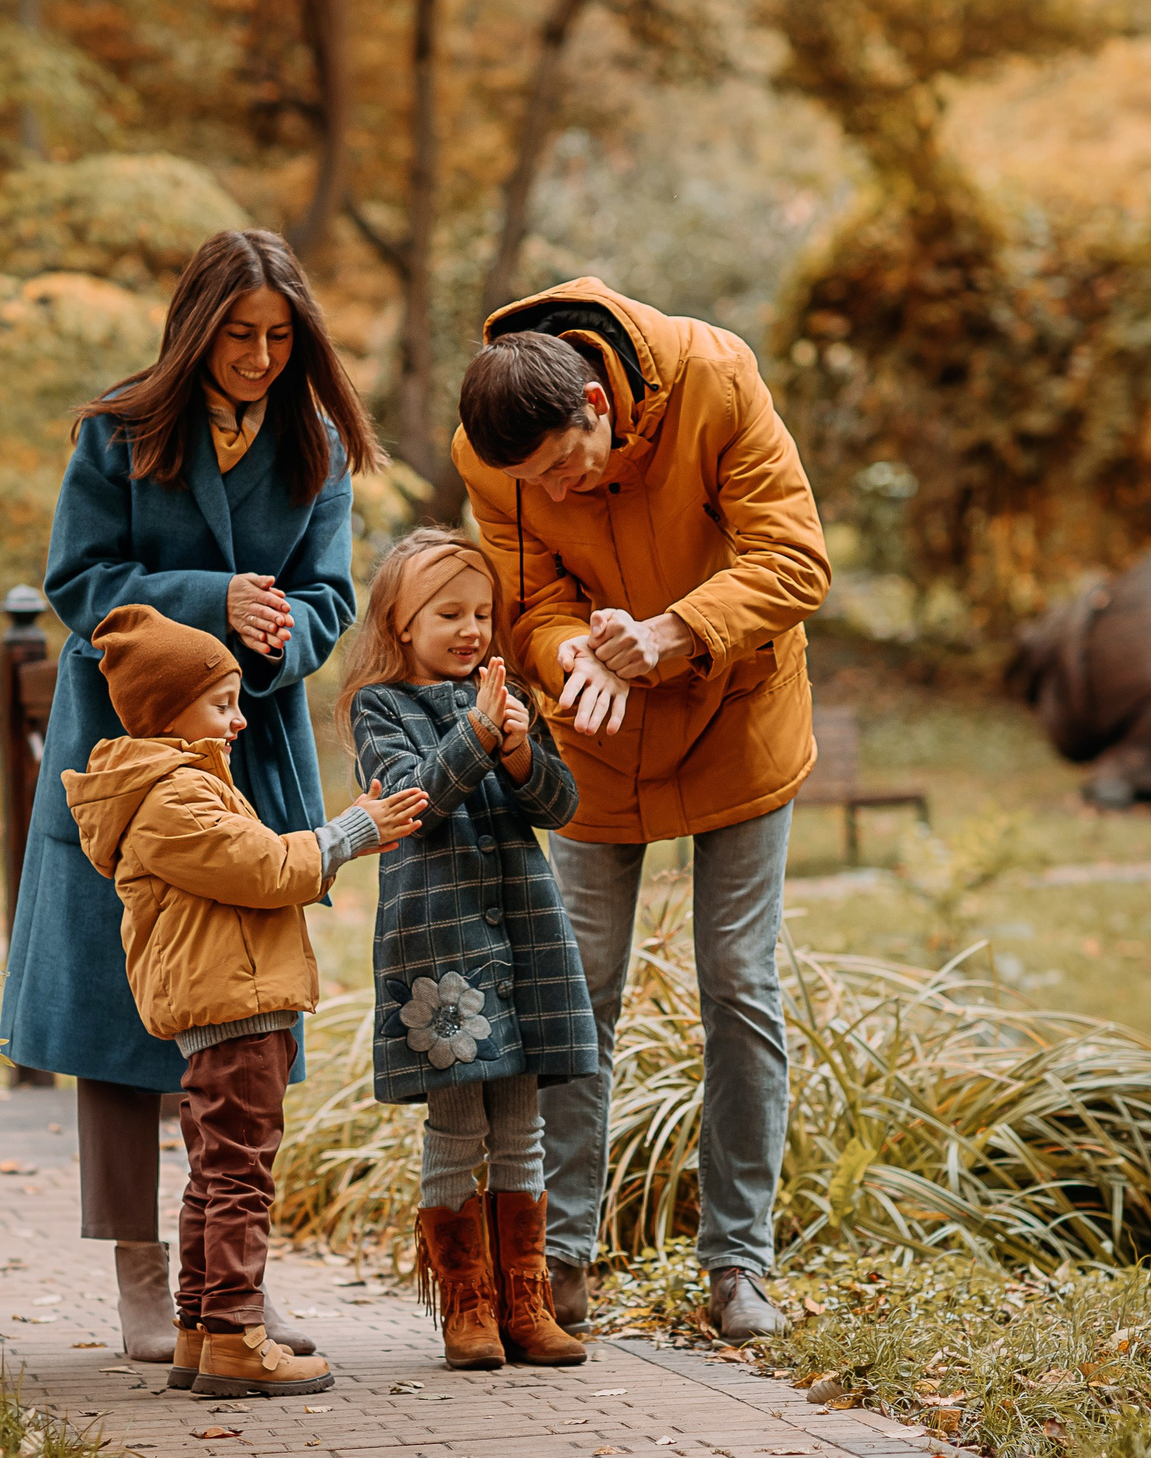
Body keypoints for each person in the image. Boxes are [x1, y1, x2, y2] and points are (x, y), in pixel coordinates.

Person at [0, 230, 381, 1361]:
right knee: (121, 1015)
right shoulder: (117, 431)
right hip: (122, 750)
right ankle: (139, 1276)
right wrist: (214, 598)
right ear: (195, 328)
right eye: (238, 336)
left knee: (244, 1012)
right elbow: (81, 582)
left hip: (246, 743)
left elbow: (329, 595)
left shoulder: (316, 444)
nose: (259, 357)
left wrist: (276, 633)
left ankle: (231, 1285)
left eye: (278, 337)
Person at [449, 280, 832, 1342]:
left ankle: (738, 1265)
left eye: (568, 462)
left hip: (736, 706)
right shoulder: (492, 454)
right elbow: (525, 597)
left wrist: (671, 633)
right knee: (576, 992)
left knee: (738, 982)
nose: (562, 488)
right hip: (599, 725)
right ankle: (557, 1260)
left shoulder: (716, 377)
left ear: (595, 398)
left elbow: (795, 560)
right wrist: (565, 649)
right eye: (539, 482)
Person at [64, 604, 428, 1397]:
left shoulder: (183, 785)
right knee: (239, 1177)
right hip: (234, 1010)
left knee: (215, 1170)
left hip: (234, 1005)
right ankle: (235, 1333)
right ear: (167, 712)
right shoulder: (171, 797)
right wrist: (353, 830)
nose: (238, 718)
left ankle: (200, 1327)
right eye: (221, 703)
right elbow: (265, 867)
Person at [336, 529, 596, 1372]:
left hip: (522, 934)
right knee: (457, 1123)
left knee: (521, 1125)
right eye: (448, 612)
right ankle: (465, 1303)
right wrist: (479, 735)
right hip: (440, 944)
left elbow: (559, 803)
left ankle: (526, 1300)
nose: (471, 627)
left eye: (482, 612)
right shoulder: (380, 705)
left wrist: (519, 746)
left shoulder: (506, 693)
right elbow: (418, 800)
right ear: (400, 623)